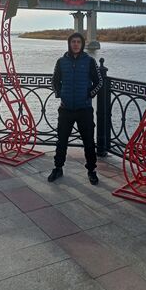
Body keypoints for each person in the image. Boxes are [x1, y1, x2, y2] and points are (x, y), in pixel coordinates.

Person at [48, 32, 103, 185]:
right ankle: (58, 168)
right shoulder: (61, 61)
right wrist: (60, 94)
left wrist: (89, 94)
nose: (76, 44)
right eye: (73, 42)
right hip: (65, 109)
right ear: (69, 44)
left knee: (88, 142)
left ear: (82, 44)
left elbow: (99, 82)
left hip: (84, 109)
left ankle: (91, 170)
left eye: (78, 42)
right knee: (61, 141)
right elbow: (54, 81)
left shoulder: (90, 61)